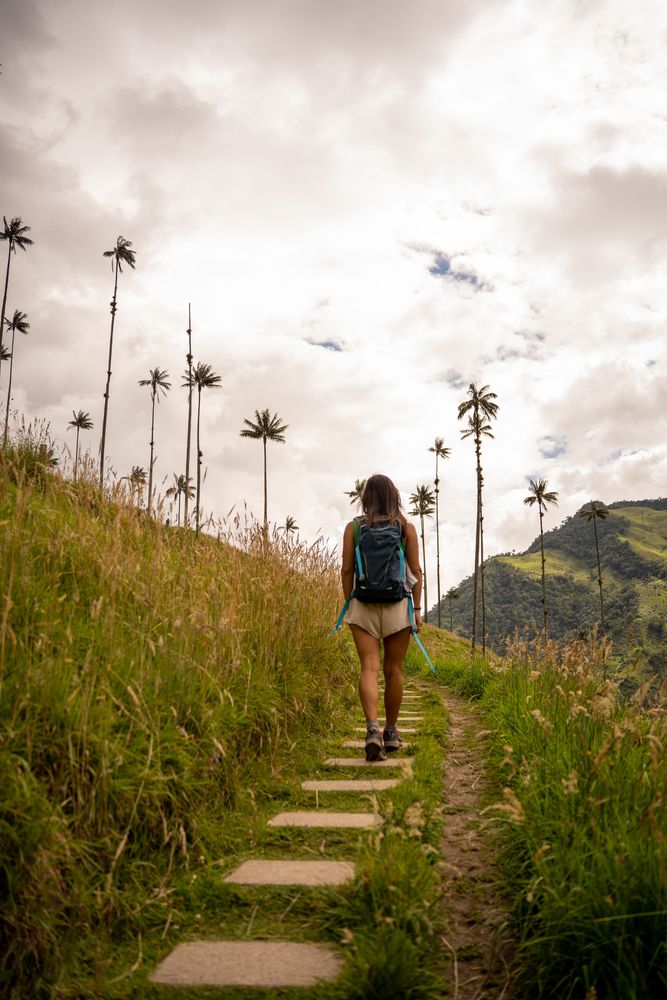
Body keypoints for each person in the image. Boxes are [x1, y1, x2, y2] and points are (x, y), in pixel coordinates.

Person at [341, 473, 423, 761]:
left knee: (369, 668)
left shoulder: (353, 528)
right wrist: (416, 610)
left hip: (363, 605)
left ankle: (372, 729)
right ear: (393, 496)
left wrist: (350, 603)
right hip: (397, 607)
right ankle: (391, 732)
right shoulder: (405, 528)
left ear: (366, 498)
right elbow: (415, 573)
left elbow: (347, 571)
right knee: (394, 671)